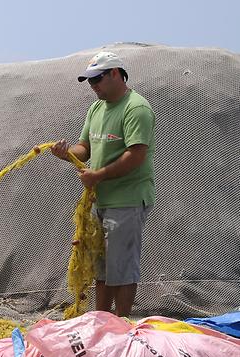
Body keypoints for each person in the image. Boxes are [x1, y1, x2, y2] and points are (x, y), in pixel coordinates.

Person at [51, 50, 155, 317]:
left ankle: (120, 327)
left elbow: (136, 155)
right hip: (101, 200)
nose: (93, 86)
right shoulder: (96, 108)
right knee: (102, 268)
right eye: (89, 81)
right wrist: (66, 153)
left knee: (121, 269)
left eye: (97, 79)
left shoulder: (136, 107)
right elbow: (85, 148)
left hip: (128, 199)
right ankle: (101, 322)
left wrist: (98, 175)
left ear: (115, 73)